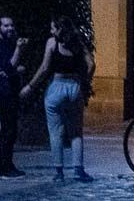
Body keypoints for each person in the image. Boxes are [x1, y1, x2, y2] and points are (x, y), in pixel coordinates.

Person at [21, 15, 95, 182]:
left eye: (53, 28)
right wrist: (84, 81)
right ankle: (78, 170)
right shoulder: (78, 43)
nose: (51, 31)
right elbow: (91, 64)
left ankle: (59, 172)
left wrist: (30, 86)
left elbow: (45, 68)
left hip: (57, 85)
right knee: (76, 132)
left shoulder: (52, 43)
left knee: (56, 132)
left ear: (60, 29)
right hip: (74, 86)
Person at [0, 16, 27, 178]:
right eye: (6, 25)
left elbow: (9, 69)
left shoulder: (7, 43)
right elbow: (8, 67)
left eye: (11, 25)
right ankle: (1, 167)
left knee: (10, 130)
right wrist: (18, 51)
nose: (10, 28)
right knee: (5, 130)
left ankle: (7, 164)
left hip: (9, 92)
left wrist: (12, 70)